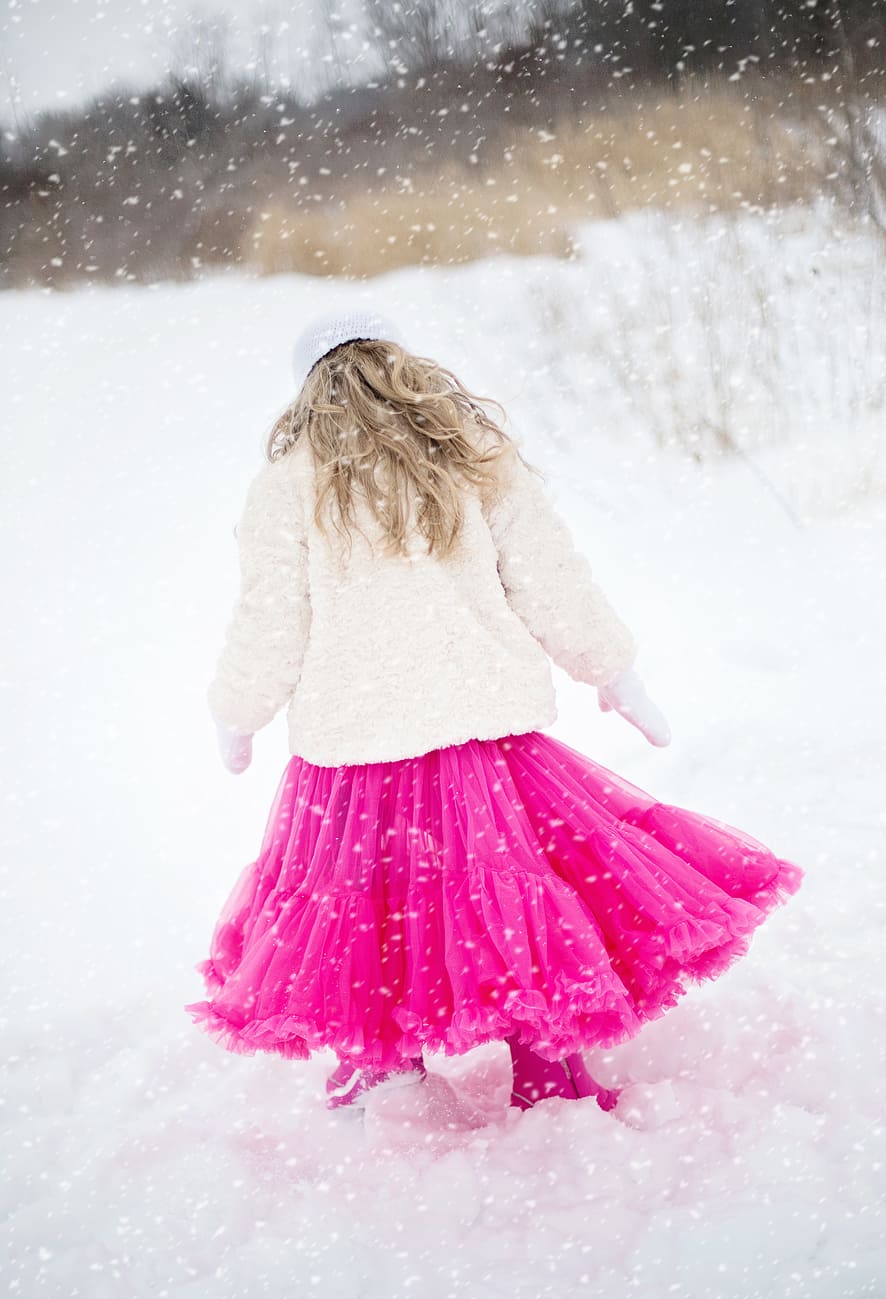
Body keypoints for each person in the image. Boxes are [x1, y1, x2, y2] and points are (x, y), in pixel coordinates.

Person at [184, 309, 804, 1116]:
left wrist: (240, 711)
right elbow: (550, 577)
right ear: (405, 366)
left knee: (365, 907)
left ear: (310, 392)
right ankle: (551, 1068)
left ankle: (387, 1070)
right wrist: (611, 669)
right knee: (509, 898)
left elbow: (272, 617)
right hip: (480, 737)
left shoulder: (288, 485)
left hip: (353, 753)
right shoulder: (472, 457)